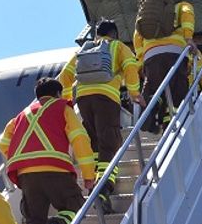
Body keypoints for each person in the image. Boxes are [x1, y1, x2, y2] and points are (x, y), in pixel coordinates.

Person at [0, 78, 95, 224]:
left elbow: (3, 144)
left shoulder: (20, 116)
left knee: (34, 220)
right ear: (59, 94)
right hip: (55, 169)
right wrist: (88, 175)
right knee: (75, 205)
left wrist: (24, 158)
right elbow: (80, 139)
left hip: (25, 175)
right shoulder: (63, 107)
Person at [58, 19, 142, 214]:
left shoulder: (83, 50)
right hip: (106, 98)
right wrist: (134, 93)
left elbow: (65, 76)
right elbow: (131, 67)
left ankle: (95, 180)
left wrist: (68, 100)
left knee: (94, 141)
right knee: (110, 142)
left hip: (84, 100)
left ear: (96, 34)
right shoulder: (117, 46)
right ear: (114, 34)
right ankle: (103, 189)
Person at [133, 0, 197, 132]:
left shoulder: (147, 14)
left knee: (153, 89)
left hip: (151, 56)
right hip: (175, 53)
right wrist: (188, 38)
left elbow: (137, 35)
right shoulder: (181, 6)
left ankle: (148, 120)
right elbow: (188, 16)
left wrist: (142, 59)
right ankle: (175, 120)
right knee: (177, 88)